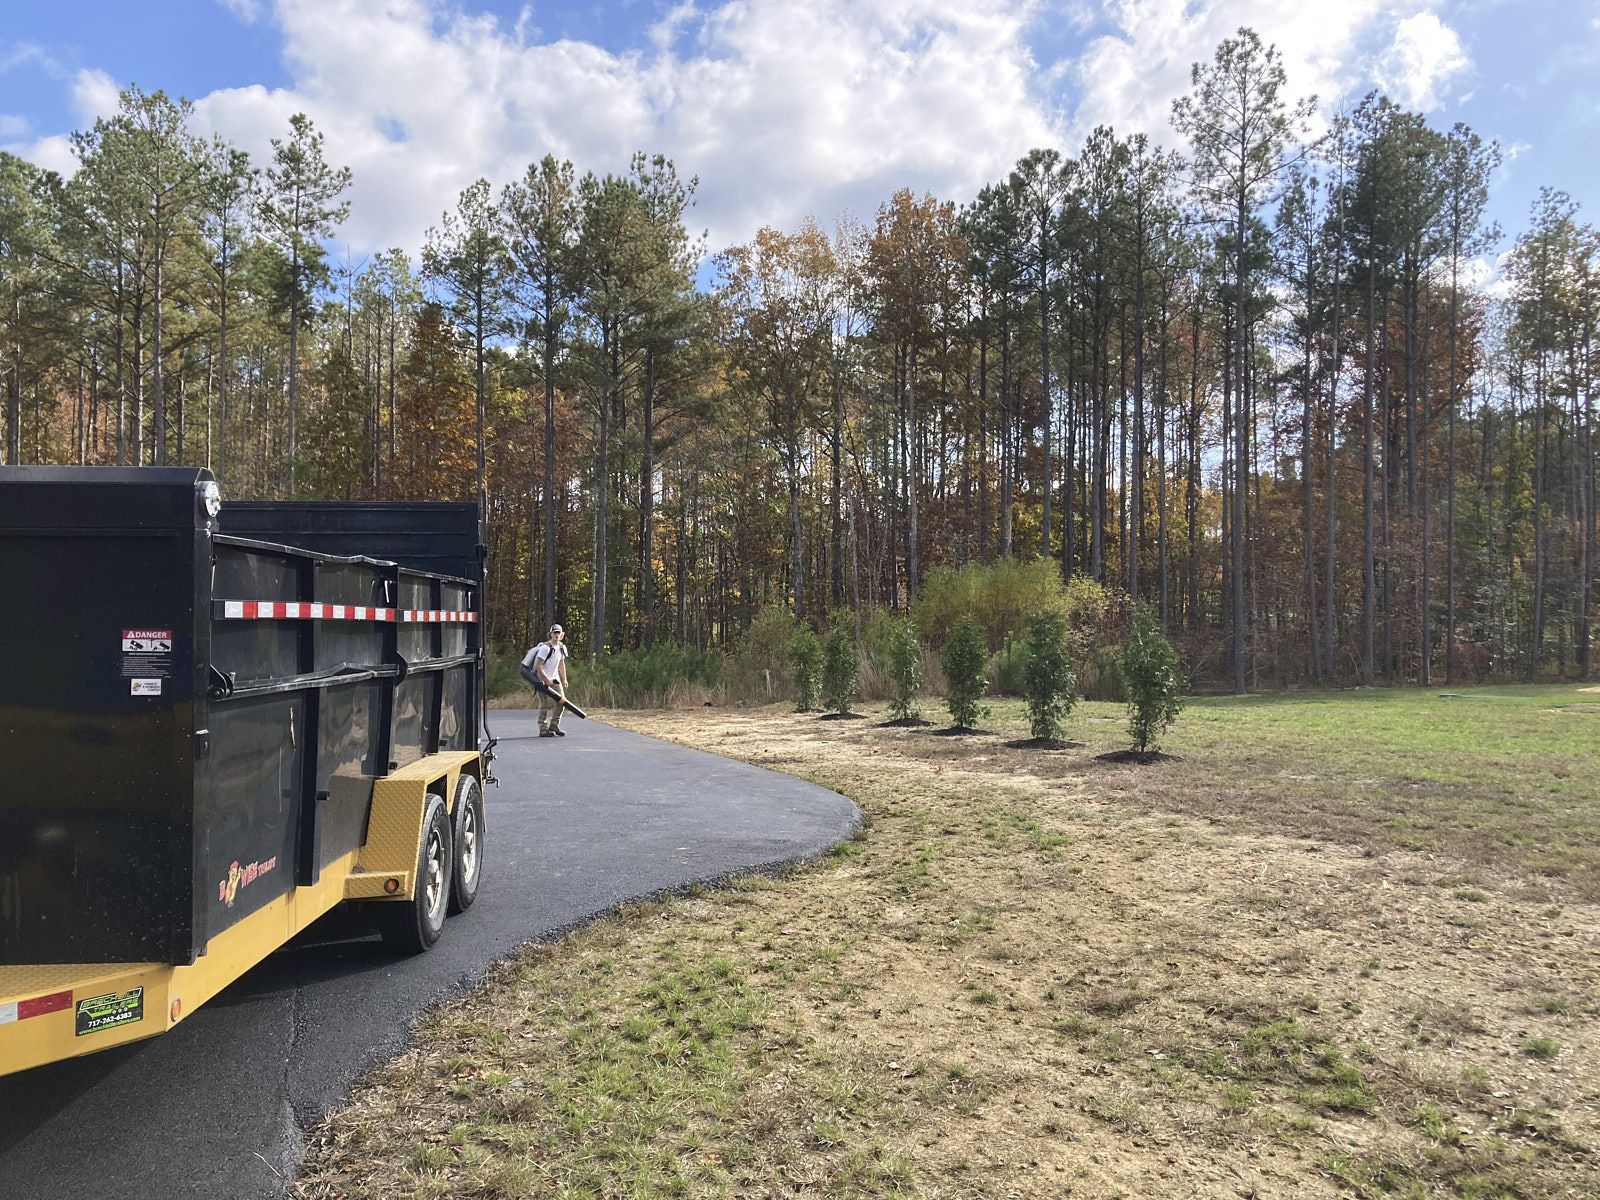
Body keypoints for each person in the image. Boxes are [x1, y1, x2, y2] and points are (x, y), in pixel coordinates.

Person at [520, 624, 571, 738]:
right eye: (555, 633)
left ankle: (554, 725)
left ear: (562, 635)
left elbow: (561, 664)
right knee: (544, 704)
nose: (557, 635)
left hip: (554, 679)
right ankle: (543, 729)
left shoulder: (562, 648)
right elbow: (538, 665)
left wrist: (564, 679)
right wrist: (545, 679)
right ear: (550, 634)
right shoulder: (545, 648)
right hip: (541, 679)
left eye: (559, 633)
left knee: (562, 702)